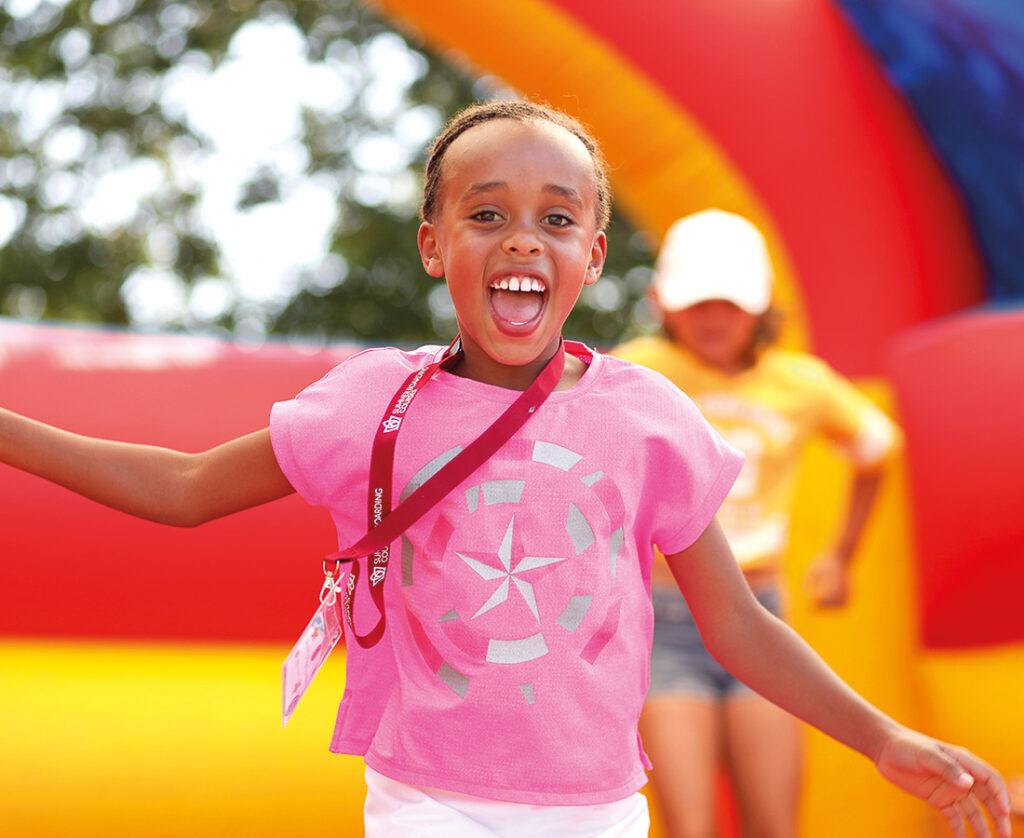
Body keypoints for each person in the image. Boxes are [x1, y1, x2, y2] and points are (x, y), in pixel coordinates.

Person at [0, 101, 1011, 838]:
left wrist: (882, 739)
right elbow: (181, 490)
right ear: (434, 246)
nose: (522, 237)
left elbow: (738, 620)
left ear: (595, 254)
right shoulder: (373, 403)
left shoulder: (647, 414)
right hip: (426, 804)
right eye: (486, 215)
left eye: (557, 219)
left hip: (600, 808)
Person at [610, 208, 903, 838]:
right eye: (696, 303)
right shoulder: (637, 372)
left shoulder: (801, 383)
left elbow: (878, 449)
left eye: (730, 304)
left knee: (774, 825)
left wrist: (841, 556)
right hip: (665, 626)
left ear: (762, 305)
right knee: (689, 827)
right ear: (662, 301)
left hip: (761, 617)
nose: (713, 319)